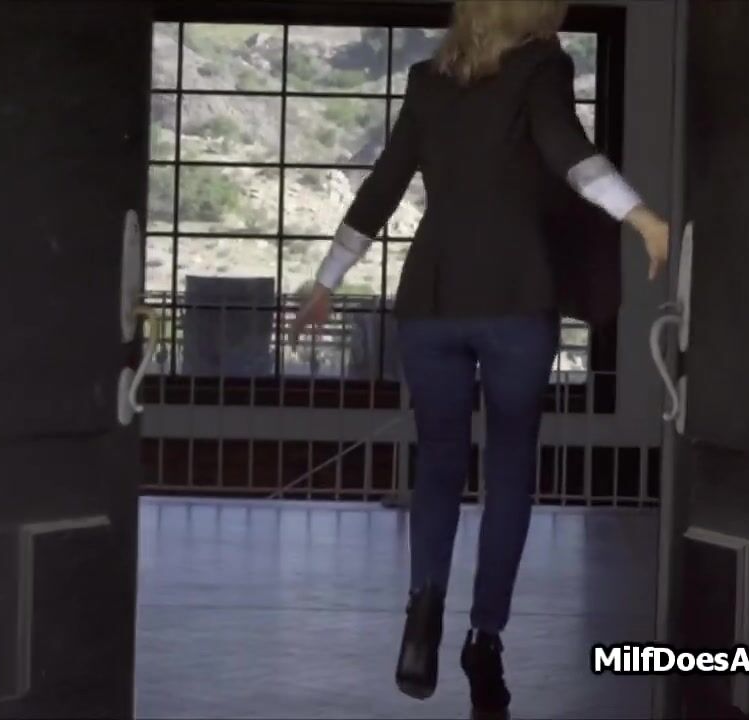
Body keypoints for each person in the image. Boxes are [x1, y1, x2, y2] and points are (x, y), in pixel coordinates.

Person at [289, 2, 670, 717]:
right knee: (510, 469)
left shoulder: (426, 82)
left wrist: (327, 281)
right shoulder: (541, 67)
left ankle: (422, 605)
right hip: (515, 299)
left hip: (430, 299)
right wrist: (642, 216)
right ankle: (484, 637)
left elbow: (384, 184)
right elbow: (568, 152)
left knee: (438, 461)